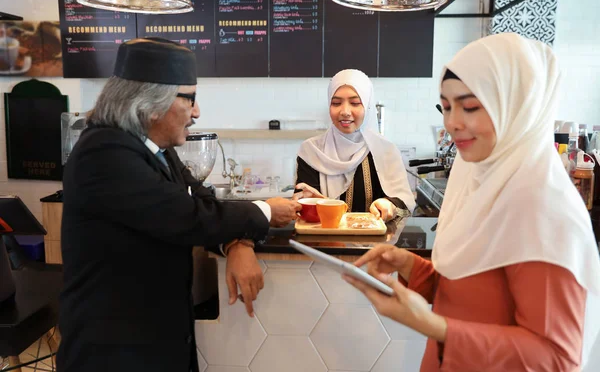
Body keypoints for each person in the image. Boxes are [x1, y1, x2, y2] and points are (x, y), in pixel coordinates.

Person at [344, 33, 600, 371]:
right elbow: (474, 289)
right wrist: (409, 265)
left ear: (516, 105)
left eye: (470, 107)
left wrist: (434, 326)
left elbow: (556, 359)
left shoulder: (542, 207)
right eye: (446, 107)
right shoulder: (480, 179)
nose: (452, 123)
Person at [57, 38, 301, 372]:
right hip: (115, 352)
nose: (196, 112)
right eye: (190, 99)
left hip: (157, 341)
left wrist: (235, 242)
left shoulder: (153, 145)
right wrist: (266, 211)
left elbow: (201, 199)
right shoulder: (104, 153)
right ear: (151, 103)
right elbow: (186, 217)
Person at [293, 69, 415, 221]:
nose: (345, 111)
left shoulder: (385, 151)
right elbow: (304, 202)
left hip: (374, 243)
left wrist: (389, 205)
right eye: (336, 103)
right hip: (322, 242)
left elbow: (404, 202)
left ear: (368, 106)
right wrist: (309, 205)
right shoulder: (312, 150)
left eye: (355, 103)